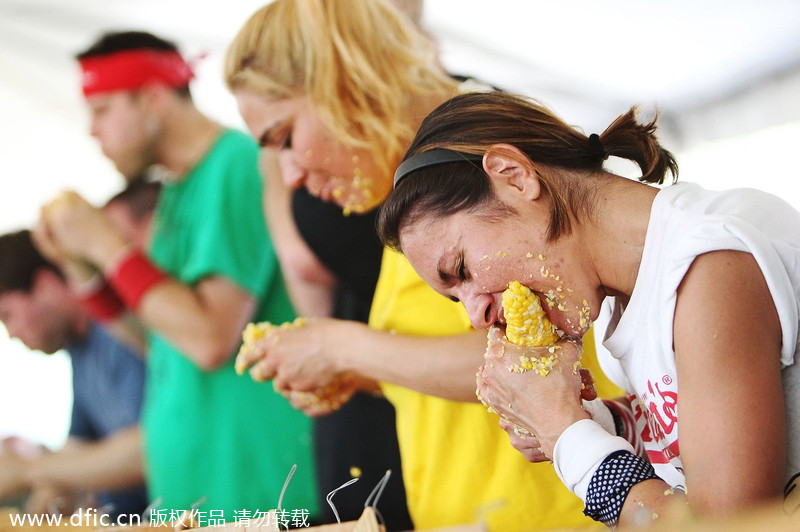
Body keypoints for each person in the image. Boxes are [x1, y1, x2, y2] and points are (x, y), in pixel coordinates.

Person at [225, 1, 627, 529]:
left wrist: (341, 346)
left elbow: (541, 349)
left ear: (340, 82)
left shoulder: (479, 155)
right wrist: (357, 372)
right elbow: (465, 355)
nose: (291, 174)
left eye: (285, 138)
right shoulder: (412, 188)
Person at [377, 90, 800, 527]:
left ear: (515, 177)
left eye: (460, 268)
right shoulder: (621, 300)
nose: (474, 316)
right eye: (455, 296)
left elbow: (728, 526)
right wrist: (599, 421)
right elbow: (695, 432)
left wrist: (566, 434)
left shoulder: (707, 266)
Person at [37, 30, 318, 522]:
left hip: (258, 491)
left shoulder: (233, 165)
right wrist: (83, 268)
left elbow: (208, 337)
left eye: (102, 111)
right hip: (201, 493)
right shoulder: (176, 190)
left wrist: (107, 243)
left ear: (150, 99)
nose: (92, 131)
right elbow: (162, 341)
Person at [0, 229, 147, 520]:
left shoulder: (121, 329)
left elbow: (148, 449)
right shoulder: (79, 352)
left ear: (45, 286)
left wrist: (29, 470)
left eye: (7, 316)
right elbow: (77, 449)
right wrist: (49, 491)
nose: (12, 334)